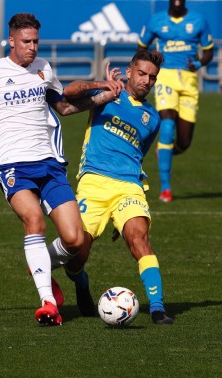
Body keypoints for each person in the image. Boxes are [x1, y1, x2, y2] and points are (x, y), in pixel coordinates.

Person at [0, 13, 122, 326]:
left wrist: (104, 95)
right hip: (11, 163)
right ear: (11, 40)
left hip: (49, 163)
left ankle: (40, 263)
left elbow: (64, 106)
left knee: (76, 240)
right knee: (34, 220)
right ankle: (48, 303)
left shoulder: (43, 69)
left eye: (36, 41)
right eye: (26, 41)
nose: (33, 47)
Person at [62, 51, 174, 324]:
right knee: (76, 255)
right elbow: (67, 95)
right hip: (94, 183)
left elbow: (139, 154)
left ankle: (158, 308)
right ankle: (81, 281)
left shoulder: (152, 118)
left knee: (139, 238)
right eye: (142, 74)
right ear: (129, 71)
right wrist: (101, 84)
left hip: (128, 187)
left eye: (152, 77)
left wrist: (120, 215)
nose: (147, 81)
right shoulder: (108, 96)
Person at [137, 0, 214, 202]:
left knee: (184, 142)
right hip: (166, 77)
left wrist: (197, 63)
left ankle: (164, 150)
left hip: (188, 80)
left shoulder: (198, 20)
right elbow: (141, 47)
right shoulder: (156, 20)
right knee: (168, 127)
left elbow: (209, 51)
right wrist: (150, 61)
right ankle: (166, 189)